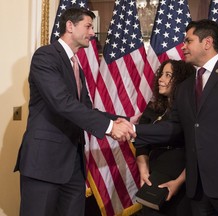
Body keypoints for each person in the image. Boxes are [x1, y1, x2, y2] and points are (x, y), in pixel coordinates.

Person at [134, 19, 218, 216]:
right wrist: (133, 130)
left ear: (207, 42)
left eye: (188, 41)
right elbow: (174, 127)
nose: (183, 47)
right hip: (198, 192)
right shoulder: (184, 87)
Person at [14, 8, 135, 216]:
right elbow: (62, 103)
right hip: (43, 163)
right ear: (70, 26)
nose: (92, 33)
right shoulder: (46, 56)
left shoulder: (76, 65)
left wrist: (120, 120)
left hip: (72, 165)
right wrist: (109, 127)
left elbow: (85, 110)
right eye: (88, 26)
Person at [135, 59, 194, 216]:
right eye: (161, 74)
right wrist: (144, 171)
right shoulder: (153, 107)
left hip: (183, 175)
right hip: (155, 171)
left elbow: (198, 150)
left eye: (168, 75)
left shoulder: (191, 108)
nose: (161, 79)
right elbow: (140, 141)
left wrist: (179, 182)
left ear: (181, 80)